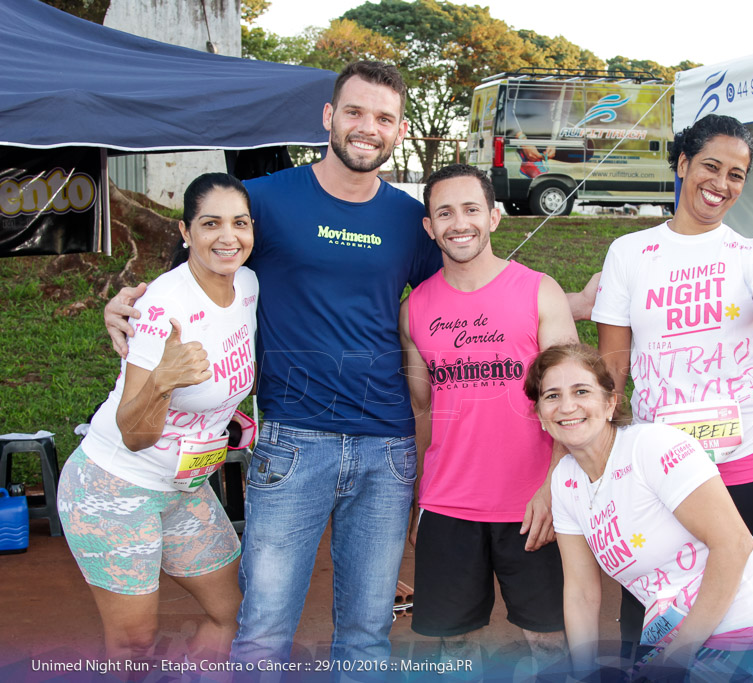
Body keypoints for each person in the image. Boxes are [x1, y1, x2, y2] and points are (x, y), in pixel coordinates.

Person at [103, 61, 598, 665]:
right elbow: (204, 252)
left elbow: (471, 285)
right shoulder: (266, 200)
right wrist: (134, 306)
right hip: (294, 440)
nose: (368, 127)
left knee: (367, 636)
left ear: (399, 130)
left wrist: (566, 301)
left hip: (386, 449)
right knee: (263, 630)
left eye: (384, 118)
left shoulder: (408, 219)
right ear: (329, 118)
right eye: (356, 112)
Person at [591, 113, 753, 651]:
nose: (721, 184)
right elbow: (613, 368)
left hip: (752, 462)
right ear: (682, 163)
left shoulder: (752, 251)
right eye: (711, 167)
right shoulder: (630, 252)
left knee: (736, 613)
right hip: (658, 469)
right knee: (649, 614)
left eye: (736, 175)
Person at [58, 173, 257, 662]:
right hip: (114, 487)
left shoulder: (250, 285)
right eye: (211, 224)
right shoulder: (162, 307)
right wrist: (164, 379)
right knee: (133, 643)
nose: (227, 237)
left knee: (231, 614)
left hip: (185, 488)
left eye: (240, 223)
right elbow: (134, 433)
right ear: (186, 232)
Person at [525, 343, 753, 680]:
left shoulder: (653, 447)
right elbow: (581, 592)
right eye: (552, 396)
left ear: (610, 402)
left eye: (581, 391)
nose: (567, 406)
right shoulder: (565, 480)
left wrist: (677, 657)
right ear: (540, 414)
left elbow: (734, 545)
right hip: (673, 639)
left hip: (747, 631)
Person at [398, 164, 578, 667]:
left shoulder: (541, 291)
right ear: (430, 227)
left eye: (471, 209)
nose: (460, 223)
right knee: (456, 649)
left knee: (548, 642)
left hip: (532, 506)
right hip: (448, 506)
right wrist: (420, 499)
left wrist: (552, 488)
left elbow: (572, 407)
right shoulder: (414, 309)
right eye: (445, 213)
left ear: (494, 217)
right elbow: (422, 409)